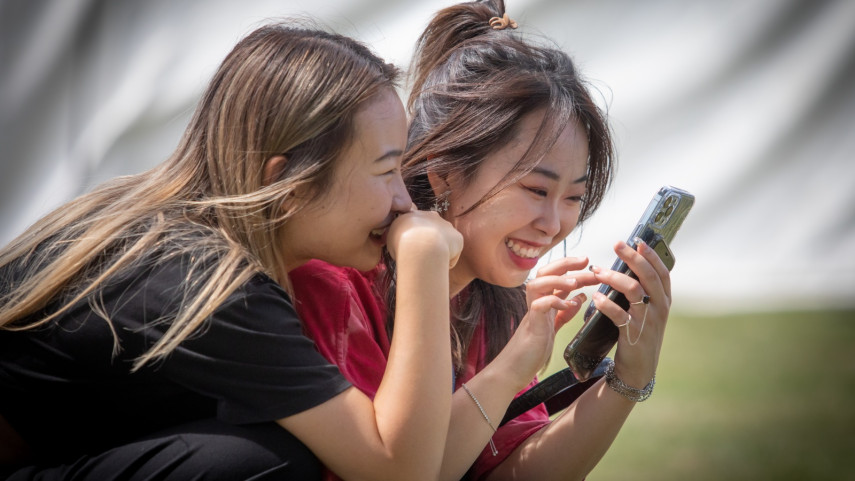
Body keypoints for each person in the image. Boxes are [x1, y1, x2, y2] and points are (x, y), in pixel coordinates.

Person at [0, 21, 463, 481]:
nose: (404, 201)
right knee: (268, 461)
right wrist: (424, 261)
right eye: (386, 171)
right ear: (288, 184)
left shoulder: (166, 227)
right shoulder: (206, 278)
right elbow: (400, 471)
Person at [288, 1, 674, 480]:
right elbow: (408, 473)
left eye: (574, 198)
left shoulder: (496, 301)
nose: (553, 225)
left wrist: (628, 378)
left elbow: (510, 471)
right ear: (445, 173)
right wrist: (512, 366)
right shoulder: (336, 287)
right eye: (536, 190)